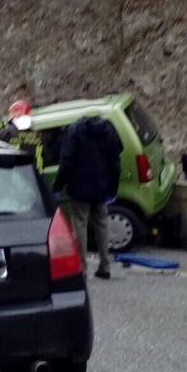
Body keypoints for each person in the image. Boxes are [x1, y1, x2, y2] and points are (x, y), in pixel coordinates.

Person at [53, 116, 123, 279]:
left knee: (80, 226)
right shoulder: (109, 130)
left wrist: (58, 186)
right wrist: (112, 189)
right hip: (101, 188)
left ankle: (81, 268)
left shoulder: (74, 131)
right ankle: (105, 266)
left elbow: (66, 161)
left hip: (79, 188)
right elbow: (115, 163)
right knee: (102, 225)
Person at [0, 99, 45, 170]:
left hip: (15, 176)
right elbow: (48, 157)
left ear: (12, 116)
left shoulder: (5, 133)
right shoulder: (37, 135)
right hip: (34, 177)